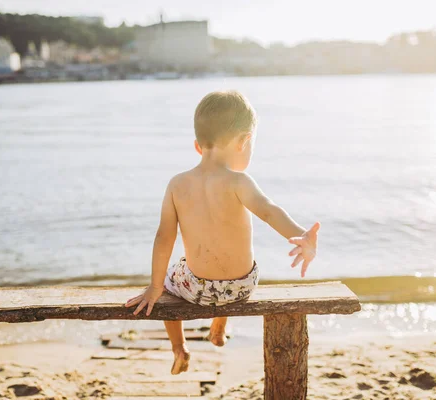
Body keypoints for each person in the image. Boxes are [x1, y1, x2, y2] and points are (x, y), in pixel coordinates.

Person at [125, 90, 320, 375]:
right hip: (241, 287)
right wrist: (302, 235)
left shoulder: (177, 184)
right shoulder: (240, 182)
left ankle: (179, 349)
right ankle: (218, 328)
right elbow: (269, 211)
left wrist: (155, 287)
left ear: (197, 146)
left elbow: (164, 238)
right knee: (226, 260)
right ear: (244, 142)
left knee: (170, 278)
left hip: (197, 289)